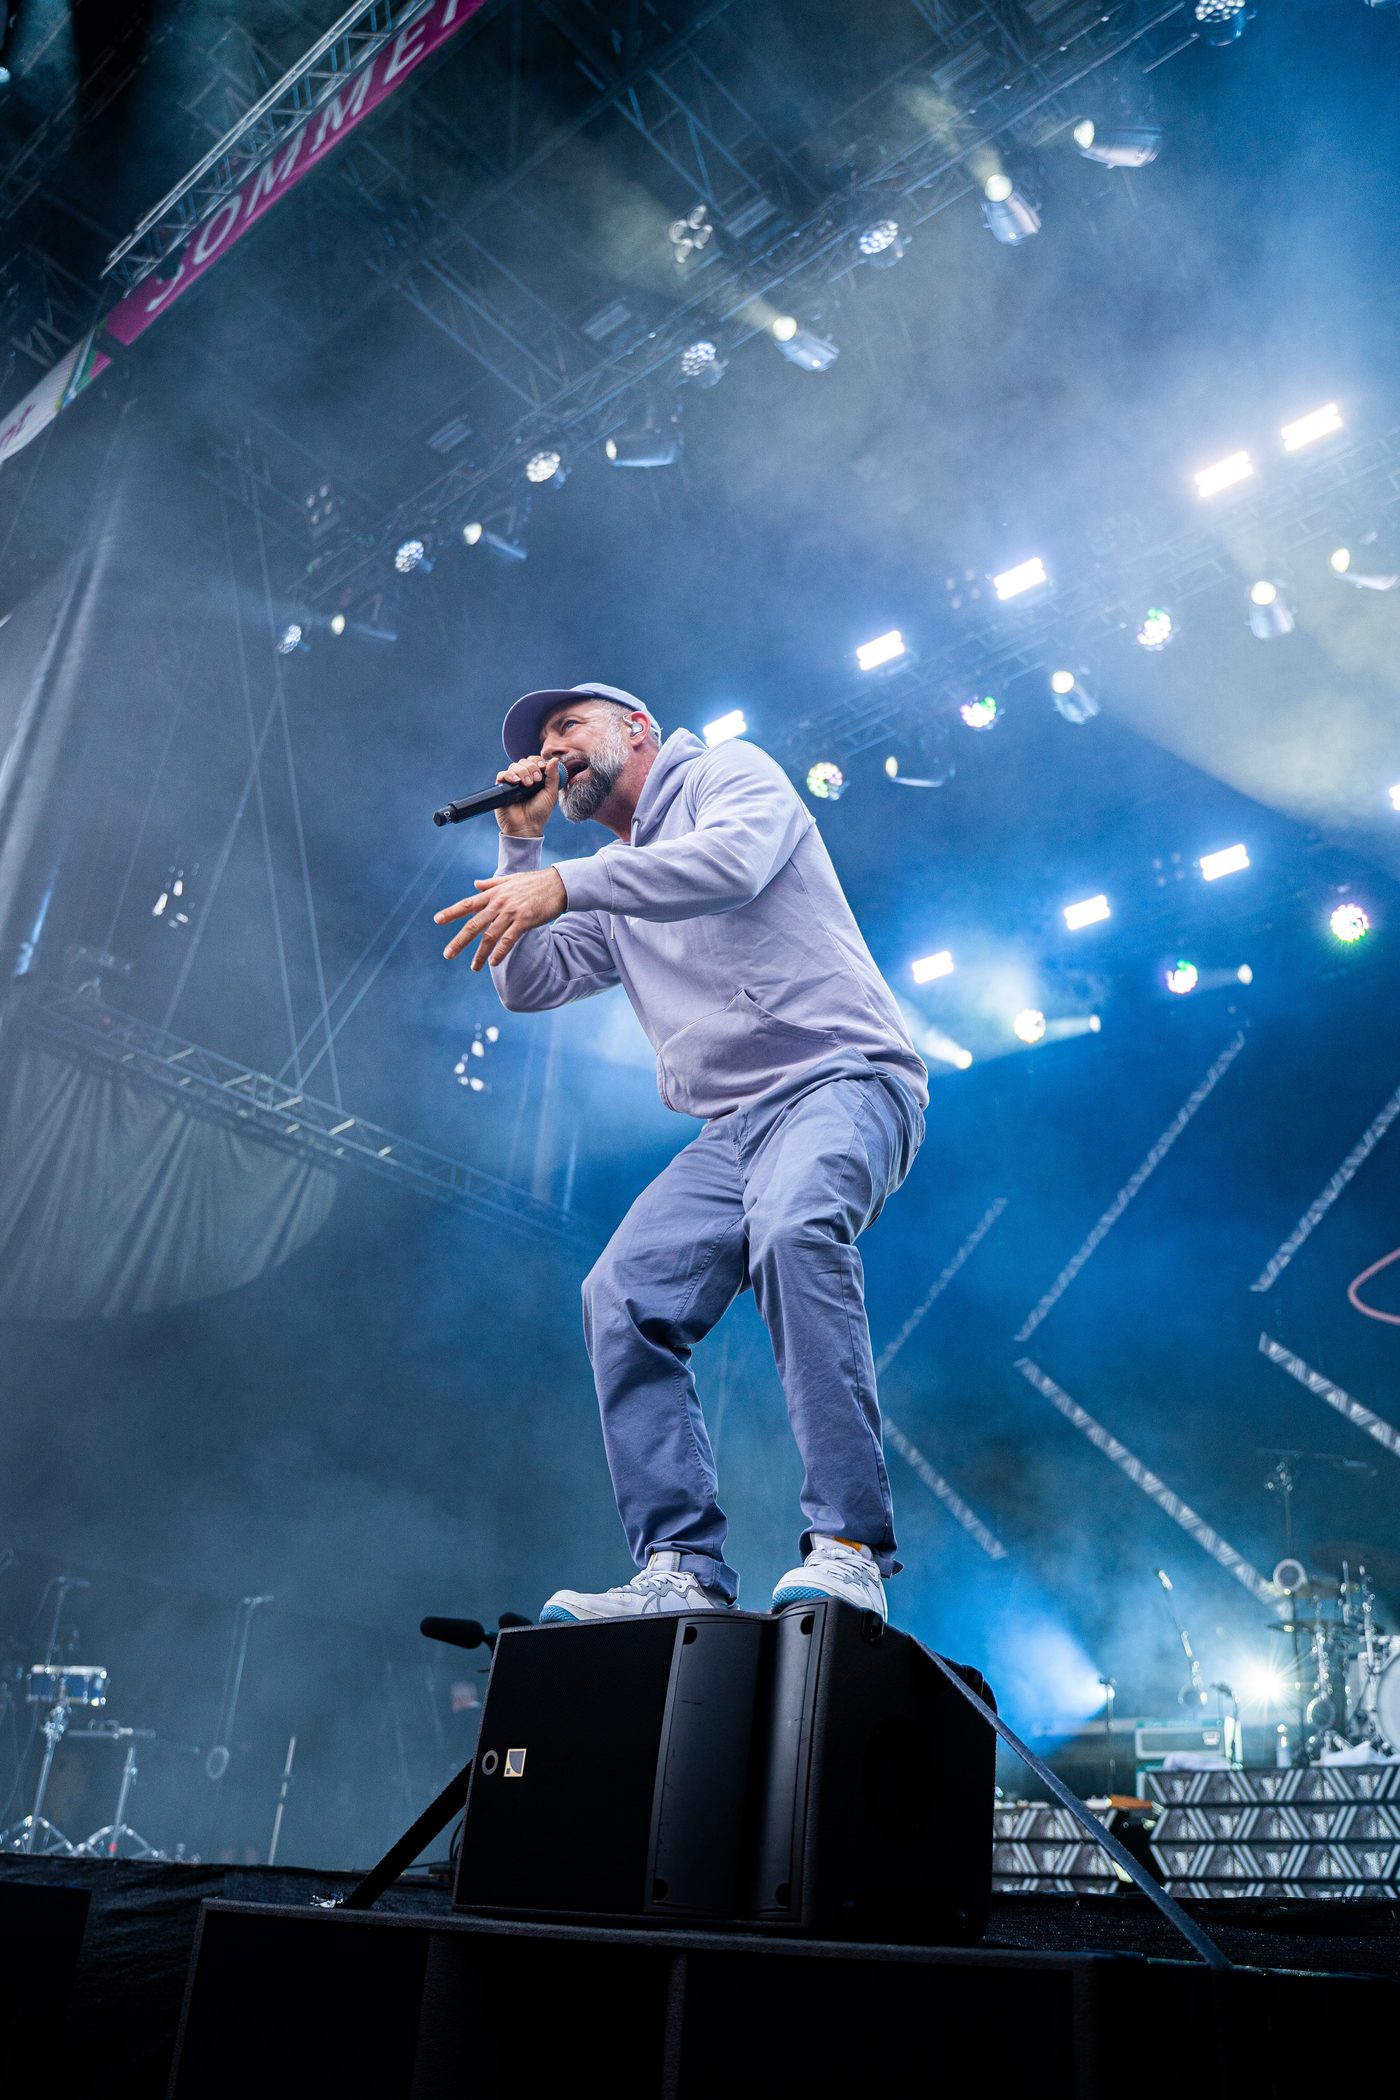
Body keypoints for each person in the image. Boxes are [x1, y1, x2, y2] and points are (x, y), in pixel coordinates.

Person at [434, 683, 928, 1623]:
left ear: (637, 729)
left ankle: (851, 1546)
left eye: (569, 726)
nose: (553, 747)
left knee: (794, 1230)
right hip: (732, 1128)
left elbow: (729, 865)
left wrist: (567, 882)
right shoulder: (615, 882)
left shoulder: (726, 774)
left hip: (843, 1077)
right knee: (619, 1296)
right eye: (541, 739)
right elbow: (528, 982)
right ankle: (680, 1568)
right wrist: (523, 847)